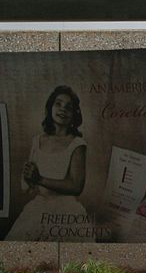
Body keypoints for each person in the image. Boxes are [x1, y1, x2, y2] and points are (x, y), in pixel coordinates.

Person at [5, 85, 94, 241]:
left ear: (74, 115)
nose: (63, 109)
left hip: (67, 212)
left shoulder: (77, 144)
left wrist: (40, 179)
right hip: (38, 209)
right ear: (50, 107)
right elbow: (26, 187)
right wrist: (28, 177)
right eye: (58, 104)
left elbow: (76, 186)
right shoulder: (37, 140)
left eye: (69, 107)